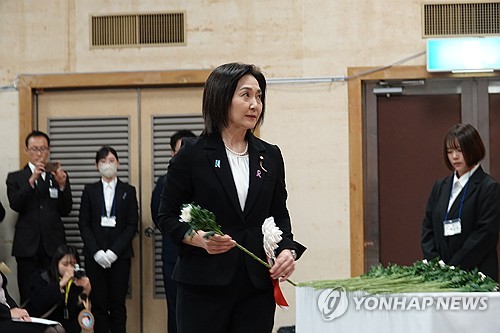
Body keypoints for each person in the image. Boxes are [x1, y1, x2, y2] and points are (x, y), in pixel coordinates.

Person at [157, 63, 306, 333]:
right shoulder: (192, 154)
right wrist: (198, 239)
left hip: (255, 287)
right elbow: (165, 215)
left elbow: (278, 214)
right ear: (222, 98)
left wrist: (286, 249)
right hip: (203, 286)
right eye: (246, 95)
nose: (255, 104)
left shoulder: (270, 155)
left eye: (259, 97)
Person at [421, 123, 500, 281]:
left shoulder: (488, 187)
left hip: (477, 275)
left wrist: (453, 269)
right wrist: (437, 265)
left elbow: (485, 235)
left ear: (473, 149)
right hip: (439, 276)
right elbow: (427, 228)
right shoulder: (440, 186)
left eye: (460, 150)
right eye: (450, 152)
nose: (454, 156)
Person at [6, 130, 73, 304]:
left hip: (53, 245)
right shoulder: (16, 177)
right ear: (27, 150)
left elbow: (66, 209)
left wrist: (62, 185)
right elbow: (15, 204)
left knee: (54, 291)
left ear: (48, 150)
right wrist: (32, 180)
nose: (39, 153)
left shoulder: (57, 176)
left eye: (43, 148)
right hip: (27, 245)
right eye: (34, 148)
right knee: (28, 293)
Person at [78, 146, 138, 333]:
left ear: (118, 163)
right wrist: (96, 252)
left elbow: (131, 225)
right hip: (94, 257)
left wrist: (113, 253)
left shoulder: (128, 190)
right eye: (103, 161)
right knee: (99, 304)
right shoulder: (90, 190)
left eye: (112, 160)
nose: (108, 164)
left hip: (119, 256)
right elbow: (84, 224)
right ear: (97, 166)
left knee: (118, 304)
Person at [150, 129, 196, 333]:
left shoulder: (204, 179)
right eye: (181, 150)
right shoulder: (164, 182)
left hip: (202, 253)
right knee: (175, 305)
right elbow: (158, 215)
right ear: (173, 154)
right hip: (173, 254)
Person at [28, 245, 91, 333]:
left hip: (67, 326)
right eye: (65, 264)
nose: (70, 268)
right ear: (56, 263)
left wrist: (85, 291)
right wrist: (61, 284)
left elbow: (77, 314)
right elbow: (38, 303)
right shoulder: (42, 277)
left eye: (73, 264)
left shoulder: (77, 280)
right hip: (43, 323)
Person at [1, 271, 66, 333]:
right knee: (50, 331)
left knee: (58, 328)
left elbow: (5, 294)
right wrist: (8, 313)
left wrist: (18, 311)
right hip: (3, 317)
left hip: (7, 313)